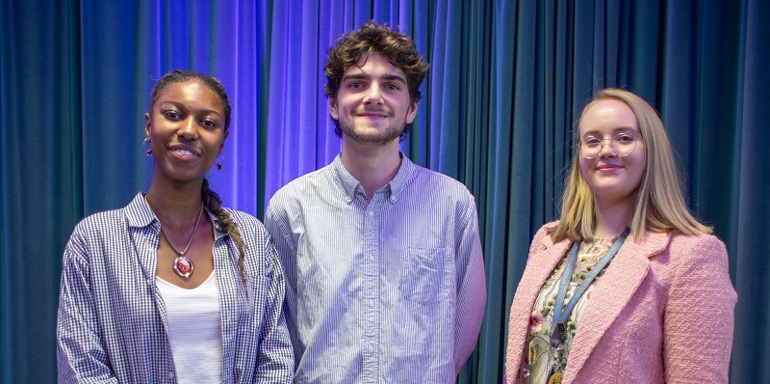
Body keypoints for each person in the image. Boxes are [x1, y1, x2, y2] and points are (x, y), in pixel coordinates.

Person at [264, 21, 487, 383]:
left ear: (411, 108)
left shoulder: (452, 203)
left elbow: (463, 327)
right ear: (335, 104)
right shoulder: (291, 206)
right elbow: (282, 329)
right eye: (356, 83)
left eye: (391, 85)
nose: (373, 96)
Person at [56, 70, 294, 383]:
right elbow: (81, 369)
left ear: (221, 143)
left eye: (207, 123)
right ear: (148, 125)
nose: (189, 130)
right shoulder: (94, 240)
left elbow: (275, 359)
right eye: (173, 115)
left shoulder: (251, 238)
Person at [504, 88, 737, 383]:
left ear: (651, 150)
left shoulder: (692, 255)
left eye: (624, 138)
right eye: (592, 140)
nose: (606, 150)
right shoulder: (549, 240)